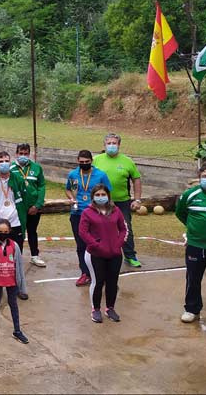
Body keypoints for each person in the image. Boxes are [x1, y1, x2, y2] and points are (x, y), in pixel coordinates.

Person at [175, 164, 206, 324]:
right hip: (195, 245)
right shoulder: (190, 195)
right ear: (199, 179)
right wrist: (194, 228)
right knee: (193, 278)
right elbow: (180, 213)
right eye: (204, 177)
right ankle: (191, 309)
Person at [92, 133, 143, 268]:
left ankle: (130, 256)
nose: (111, 146)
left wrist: (137, 200)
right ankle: (100, 253)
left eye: (114, 143)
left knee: (126, 228)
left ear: (119, 145)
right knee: (99, 227)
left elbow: (136, 179)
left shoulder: (127, 161)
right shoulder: (96, 160)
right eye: (109, 143)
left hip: (122, 202)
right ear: (104, 145)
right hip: (101, 201)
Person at [78, 185, 126, 324]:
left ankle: (110, 308)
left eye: (103, 194)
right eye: (97, 195)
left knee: (112, 282)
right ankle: (96, 309)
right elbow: (83, 232)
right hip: (95, 254)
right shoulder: (87, 212)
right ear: (93, 197)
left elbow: (123, 229)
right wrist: (96, 245)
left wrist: (118, 244)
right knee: (98, 282)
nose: (100, 197)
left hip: (115, 253)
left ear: (108, 196)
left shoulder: (116, 211)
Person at [66, 150, 112, 287]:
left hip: (96, 214)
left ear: (91, 161)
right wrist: (71, 198)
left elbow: (108, 192)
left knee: (98, 244)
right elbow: (69, 189)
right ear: (78, 161)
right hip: (77, 214)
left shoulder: (100, 175)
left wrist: (106, 211)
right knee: (81, 245)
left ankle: (100, 273)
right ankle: (85, 273)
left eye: (87, 162)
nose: (84, 164)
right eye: (81, 162)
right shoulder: (73, 174)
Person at [0, 219, 29, 344]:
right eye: (0, 231)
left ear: (9, 232)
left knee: (13, 304)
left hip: (12, 280)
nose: (2, 234)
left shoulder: (14, 246)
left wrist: (22, 286)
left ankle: (17, 330)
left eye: (5, 231)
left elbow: (19, 266)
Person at [0, 152, 29, 261]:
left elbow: (25, 199)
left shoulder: (19, 179)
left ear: (10, 162)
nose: (4, 164)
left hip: (15, 221)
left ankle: (16, 276)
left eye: (7, 161)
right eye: (1, 161)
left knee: (16, 253)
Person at [11, 143, 47, 268]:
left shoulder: (36, 168)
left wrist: (37, 205)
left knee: (32, 231)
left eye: (26, 154)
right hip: (17, 208)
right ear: (16, 154)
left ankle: (35, 256)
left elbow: (41, 186)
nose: (23, 156)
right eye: (21, 153)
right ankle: (17, 257)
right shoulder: (11, 168)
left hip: (33, 207)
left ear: (29, 154)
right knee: (18, 233)